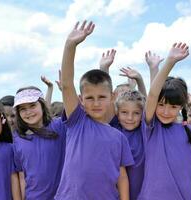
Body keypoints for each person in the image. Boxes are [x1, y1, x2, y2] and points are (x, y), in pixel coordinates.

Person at [55, 20, 134, 200]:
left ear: (112, 97)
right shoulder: (77, 122)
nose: (96, 103)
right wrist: (70, 45)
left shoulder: (119, 137)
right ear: (81, 100)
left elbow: (122, 176)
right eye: (90, 98)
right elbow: (67, 85)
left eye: (102, 97)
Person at [138, 42, 191, 200]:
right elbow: (152, 95)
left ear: (181, 106)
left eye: (173, 106)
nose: (165, 111)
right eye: (161, 105)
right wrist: (169, 62)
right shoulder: (151, 127)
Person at [12, 86, 66, 200]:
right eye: (22, 109)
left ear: (42, 105)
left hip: (63, 196)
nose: (28, 112)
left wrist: (65, 89)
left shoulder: (60, 126)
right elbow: (22, 176)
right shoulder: (17, 138)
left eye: (32, 105)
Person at [111, 89, 146, 200]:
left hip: (142, 194)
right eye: (124, 112)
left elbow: (151, 100)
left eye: (136, 113)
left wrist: (140, 80)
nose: (130, 118)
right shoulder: (113, 130)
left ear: (142, 115)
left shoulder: (145, 132)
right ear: (117, 113)